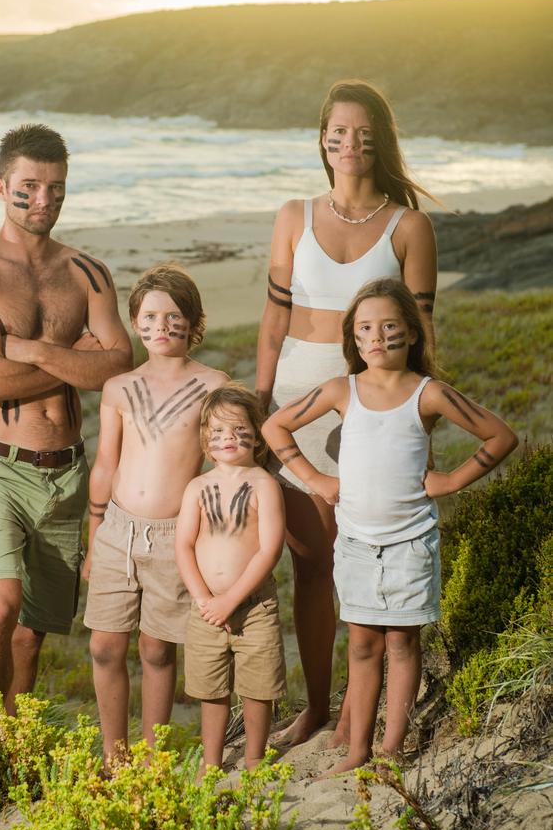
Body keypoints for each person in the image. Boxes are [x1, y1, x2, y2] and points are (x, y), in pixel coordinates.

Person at [263, 278, 518, 772]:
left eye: (389, 327)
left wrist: (452, 480)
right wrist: (315, 477)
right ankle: (357, 748)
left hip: (410, 541)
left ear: (412, 334)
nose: (377, 337)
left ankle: (390, 749)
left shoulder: (429, 393)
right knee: (361, 643)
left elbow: (500, 435)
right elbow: (276, 427)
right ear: (353, 341)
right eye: (365, 329)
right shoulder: (342, 389)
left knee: (401, 642)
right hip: (356, 542)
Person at [255, 78, 439, 745]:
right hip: (298, 404)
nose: (350, 142)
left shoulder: (408, 225)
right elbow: (275, 320)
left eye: (364, 132)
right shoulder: (292, 214)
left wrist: (417, 420)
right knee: (311, 563)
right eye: (338, 130)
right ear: (322, 138)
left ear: (380, 141)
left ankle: (373, 719)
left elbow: (420, 340)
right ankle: (317, 707)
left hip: (374, 409)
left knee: (369, 556)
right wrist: (259, 400)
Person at [0, 123, 133, 713]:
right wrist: (81, 362)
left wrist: (41, 352)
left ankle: (12, 746)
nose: (43, 200)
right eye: (29, 187)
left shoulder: (87, 271)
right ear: (1, 186)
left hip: (65, 475)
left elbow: (122, 361)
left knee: (32, 631)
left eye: (56, 188)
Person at [82, 264, 227, 763]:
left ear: (193, 321)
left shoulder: (213, 385)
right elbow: (104, 465)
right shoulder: (120, 387)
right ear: (135, 322)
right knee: (104, 645)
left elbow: (222, 469)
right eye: (149, 316)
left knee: (158, 650)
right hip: (117, 532)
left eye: (173, 315)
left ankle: (151, 757)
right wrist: (95, 534)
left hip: (174, 537)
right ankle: (113, 755)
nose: (161, 325)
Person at [175, 383, 286, 772]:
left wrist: (231, 599)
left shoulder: (264, 485)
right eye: (219, 432)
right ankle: (211, 762)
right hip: (206, 609)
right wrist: (204, 597)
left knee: (258, 687)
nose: (229, 439)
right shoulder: (197, 487)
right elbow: (184, 546)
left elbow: (269, 550)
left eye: (240, 431)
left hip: (254, 605)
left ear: (257, 437)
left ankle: (255, 757)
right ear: (206, 439)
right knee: (211, 689)